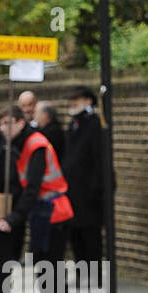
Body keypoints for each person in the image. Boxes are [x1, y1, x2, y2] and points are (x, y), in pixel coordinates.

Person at [0, 105, 80, 293]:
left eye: (8, 123)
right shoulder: (22, 145)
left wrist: (13, 218)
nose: (3, 129)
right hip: (44, 216)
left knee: (52, 281)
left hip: (54, 215)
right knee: (47, 280)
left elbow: (32, 189)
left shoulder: (36, 145)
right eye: (0, 124)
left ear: (21, 122)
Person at [63, 86, 106, 275]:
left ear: (88, 101)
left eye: (77, 99)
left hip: (88, 190)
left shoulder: (94, 124)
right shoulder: (74, 123)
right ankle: (82, 270)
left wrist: (96, 187)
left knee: (90, 232)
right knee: (75, 233)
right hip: (72, 189)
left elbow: (98, 157)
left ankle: (93, 271)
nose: (73, 103)